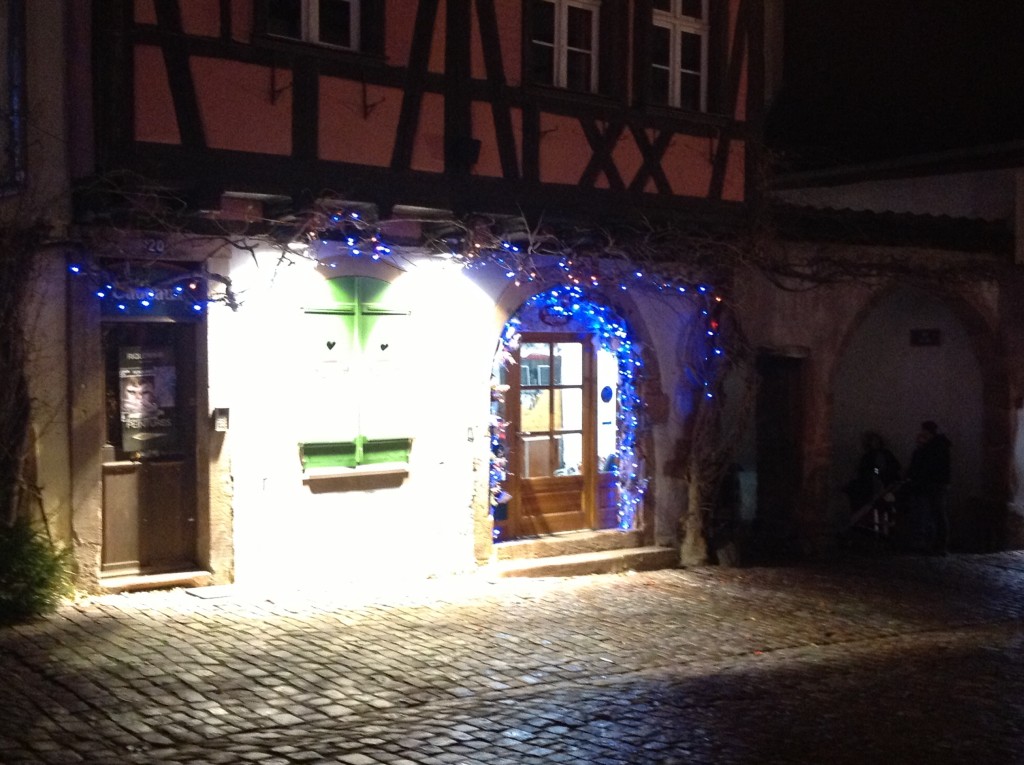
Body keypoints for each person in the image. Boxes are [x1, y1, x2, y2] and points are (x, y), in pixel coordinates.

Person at [905, 420, 952, 554]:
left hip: (932, 484)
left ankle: (936, 544)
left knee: (935, 513)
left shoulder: (934, 447)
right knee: (933, 513)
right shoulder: (940, 446)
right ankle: (935, 543)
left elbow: (925, 466)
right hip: (933, 484)